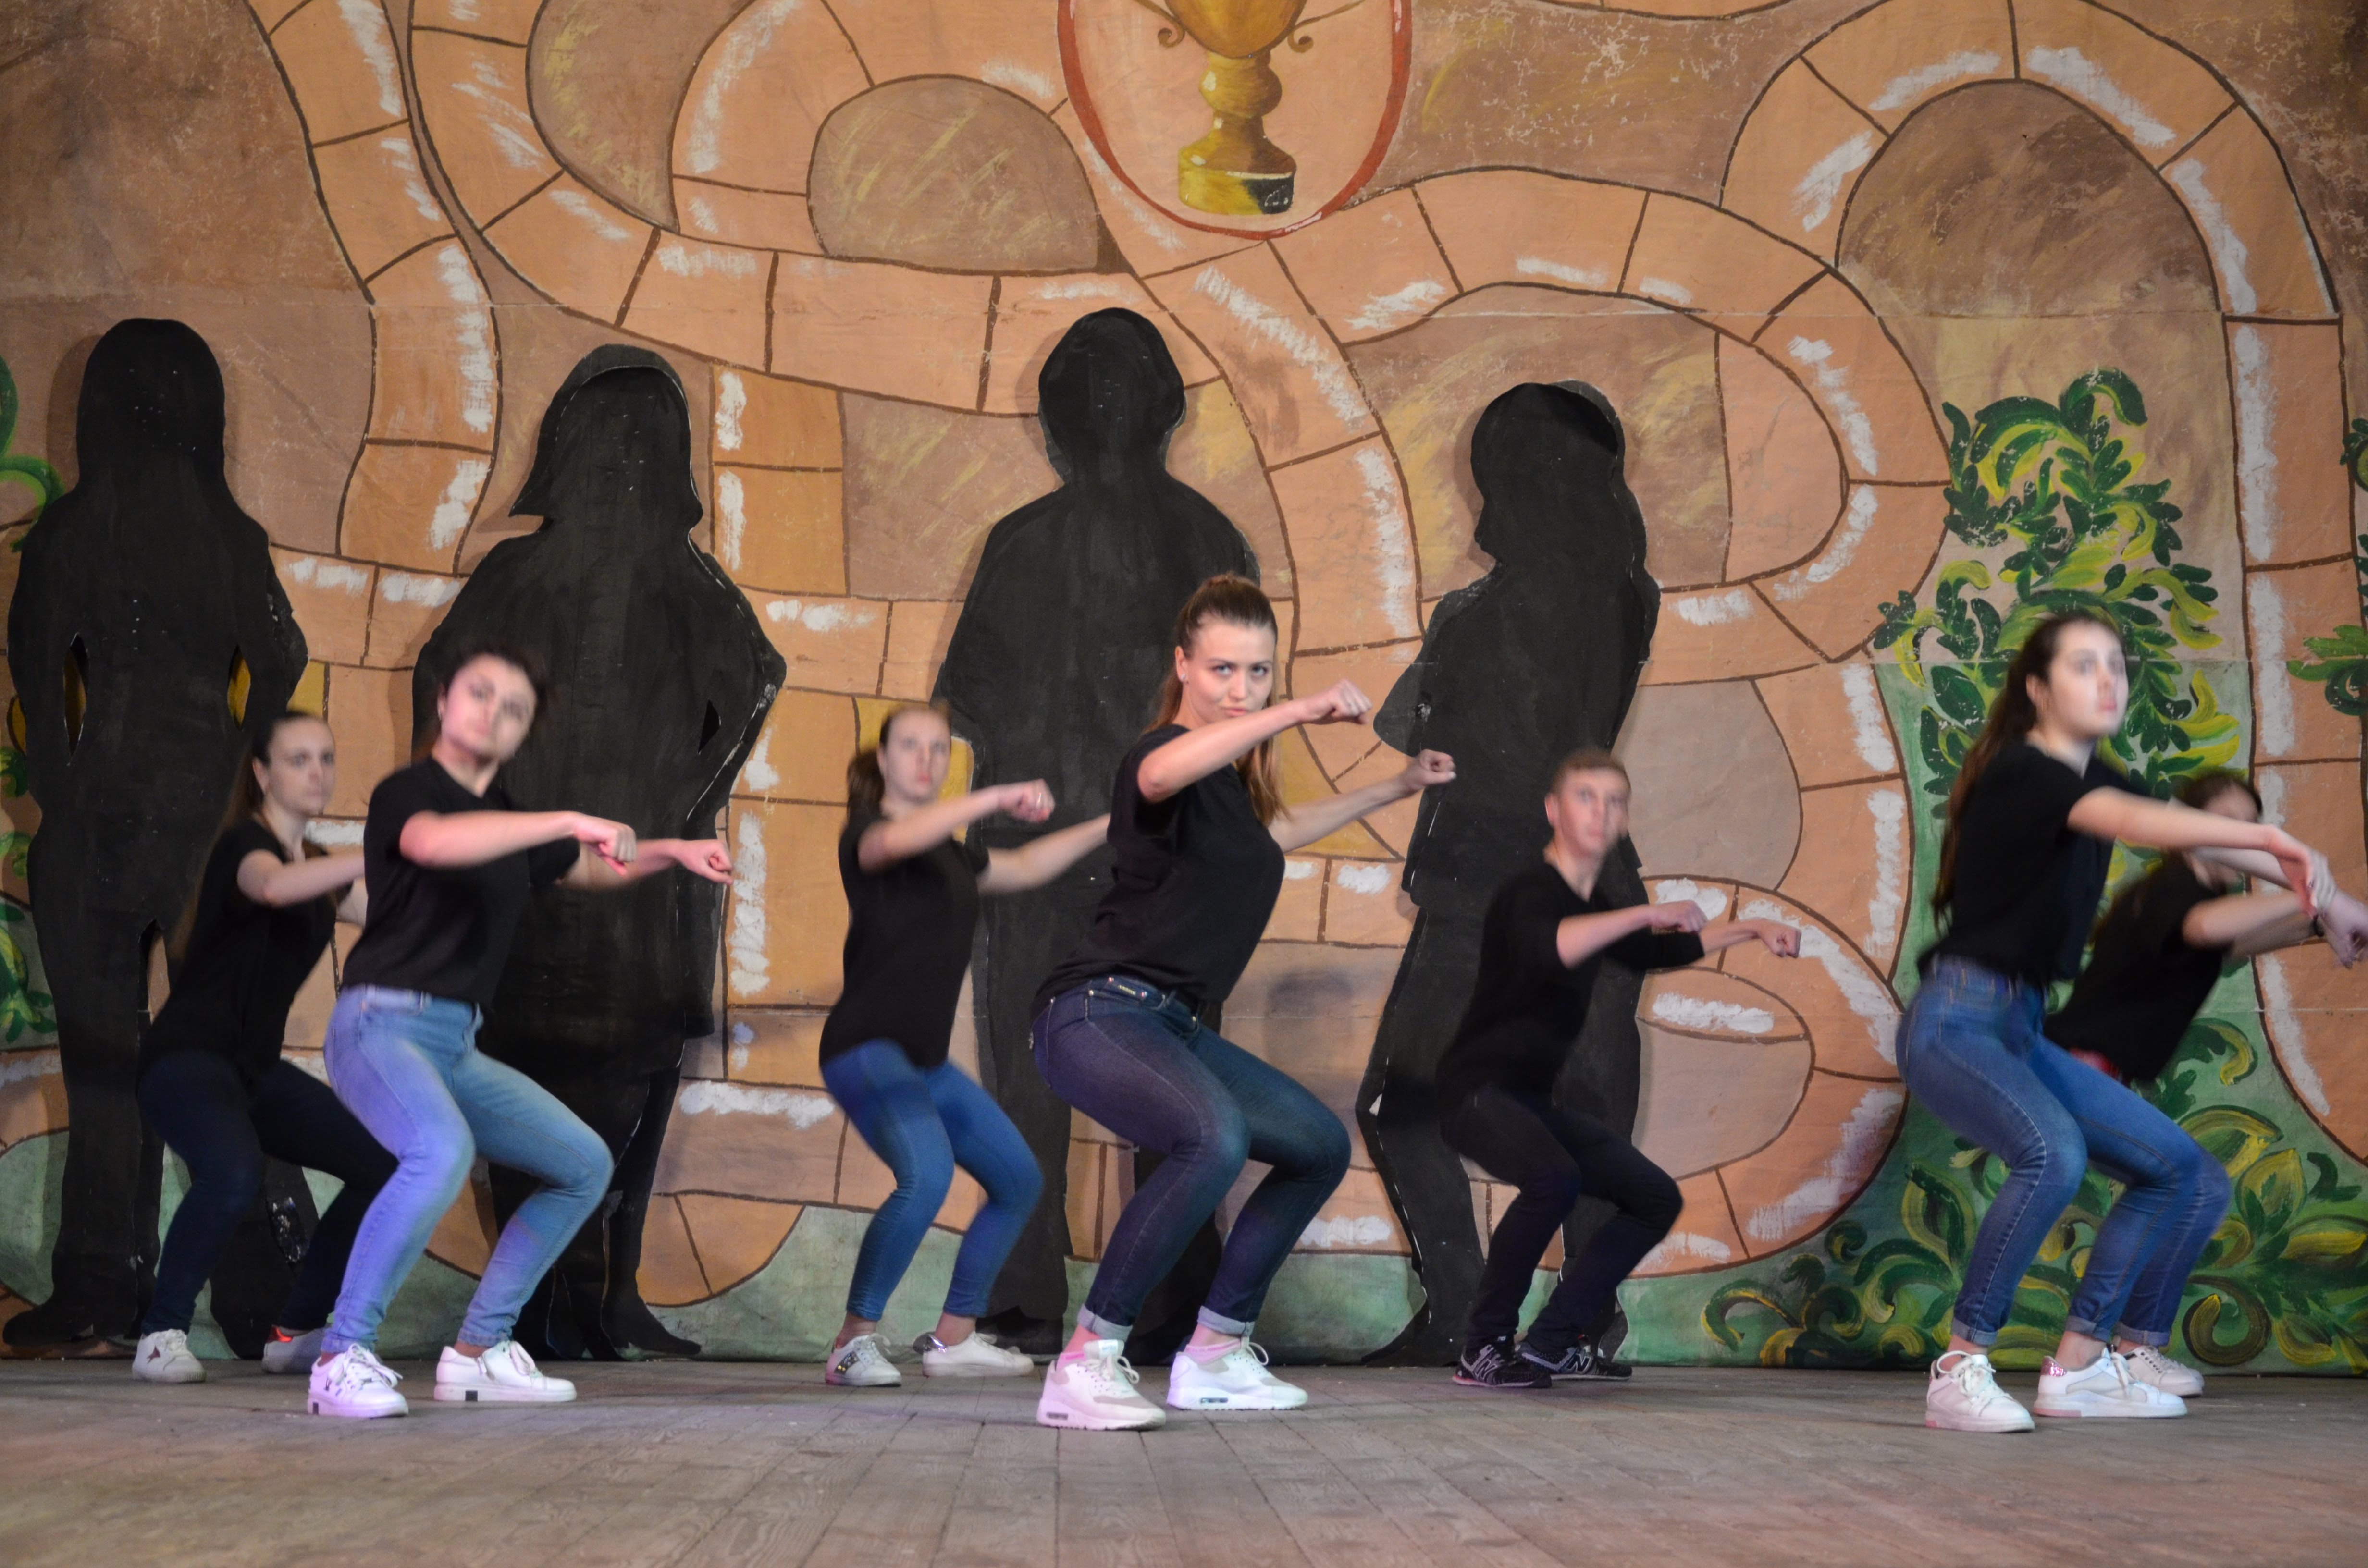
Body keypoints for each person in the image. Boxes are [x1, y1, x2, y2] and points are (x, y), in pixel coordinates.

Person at [418, 345, 784, 1364]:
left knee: (629, 1079)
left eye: (639, 450)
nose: (622, 469)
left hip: (633, 885)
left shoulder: (675, 580)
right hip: (547, 880)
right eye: (607, 448)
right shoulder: (521, 575)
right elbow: (440, 683)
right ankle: (551, 1302)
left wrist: (689, 802)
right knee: (530, 1074)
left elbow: (760, 677)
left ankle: (600, 1298)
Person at [1029, 574, 1456, 1431]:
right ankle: (1083, 1364)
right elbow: (1161, 771)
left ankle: (1215, 1355)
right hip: (1096, 1012)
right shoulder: (1160, 756)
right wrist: (1293, 712)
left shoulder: (1228, 790)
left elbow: (1273, 836)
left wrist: (1397, 785)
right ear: (1182, 665)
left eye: (1258, 672)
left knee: (1316, 1146)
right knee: (1214, 1137)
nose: (1240, 689)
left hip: (1173, 1024)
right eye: (1222, 669)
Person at [1902, 611, 2335, 1433]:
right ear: (2038, 689)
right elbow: (2144, 825)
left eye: (2117, 665)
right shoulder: (2025, 771)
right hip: (1958, 1021)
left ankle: (2077, 1372)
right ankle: (1959, 1368)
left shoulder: (2096, 775)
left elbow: (2205, 844)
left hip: (2021, 1029)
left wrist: (2330, 899)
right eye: (2084, 665)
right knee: (2053, 1154)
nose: (2109, 680)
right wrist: (2274, 838)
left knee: (2184, 1172)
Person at [303, 641, 733, 1420]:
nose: (492, 714)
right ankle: (340, 1357)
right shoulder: (410, 793)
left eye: (514, 709)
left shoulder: (508, 816)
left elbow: (591, 868)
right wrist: (566, 817)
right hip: (381, 1024)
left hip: (455, 1044)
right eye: (479, 694)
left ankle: (478, 1352)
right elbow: (431, 845)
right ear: (444, 702)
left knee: (583, 1164)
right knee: (440, 1152)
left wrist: (672, 850)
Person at [6, 318, 308, 1349]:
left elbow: (35, 669)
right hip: (205, 820)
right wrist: (245, 763)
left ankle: (102, 1287)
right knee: (226, 1053)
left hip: (94, 818)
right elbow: (282, 656)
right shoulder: (230, 538)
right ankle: (273, 1294)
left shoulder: (68, 534)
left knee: (103, 1062)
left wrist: (60, 782)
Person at [1438, 749, 1800, 1389]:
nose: (1601, 812)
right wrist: (1646, 912)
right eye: (1585, 797)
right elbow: (1554, 946)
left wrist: (1751, 928)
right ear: (1553, 810)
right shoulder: (1528, 892)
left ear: (1625, 819)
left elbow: (1652, 951)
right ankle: (1482, 1345)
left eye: (1614, 802)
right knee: (1554, 1179)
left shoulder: (1596, 901)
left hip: (1531, 1101)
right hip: (1475, 1092)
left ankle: (1552, 1342)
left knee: (1654, 1197)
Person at [2040, 770, 2368, 1398]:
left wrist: (2322, 922)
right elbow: (2206, 928)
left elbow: (2235, 940)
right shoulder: (2174, 892)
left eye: (2250, 825)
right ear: (2191, 830)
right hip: (2074, 1069)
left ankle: (2127, 1349)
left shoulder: (2190, 897)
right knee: (2189, 1180)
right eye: (2226, 823)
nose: (2242, 836)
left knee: (2191, 1184)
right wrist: (2316, 896)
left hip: (2085, 1073)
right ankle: (2093, 1358)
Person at [820, 704, 1106, 1388]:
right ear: (883, 760)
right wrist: (995, 797)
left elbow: (1027, 864)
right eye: (910, 747)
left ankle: (953, 1339)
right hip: (865, 1049)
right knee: (927, 1177)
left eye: (938, 749)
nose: (926, 759)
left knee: (1019, 1181)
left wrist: (1111, 824)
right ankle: (850, 1345)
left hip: (923, 1062)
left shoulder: (951, 852)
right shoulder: (868, 836)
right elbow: (895, 842)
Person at [127, 711, 393, 1384]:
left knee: (382, 1167)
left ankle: (295, 1332)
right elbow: (272, 886)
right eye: (298, 759)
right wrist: (380, 852)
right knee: (234, 1171)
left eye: (326, 758)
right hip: (185, 1061)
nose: (317, 772)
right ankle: (160, 1335)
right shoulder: (245, 846)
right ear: (262, 774)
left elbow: (393, 914)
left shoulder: (322, 869)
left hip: (251, 1072)